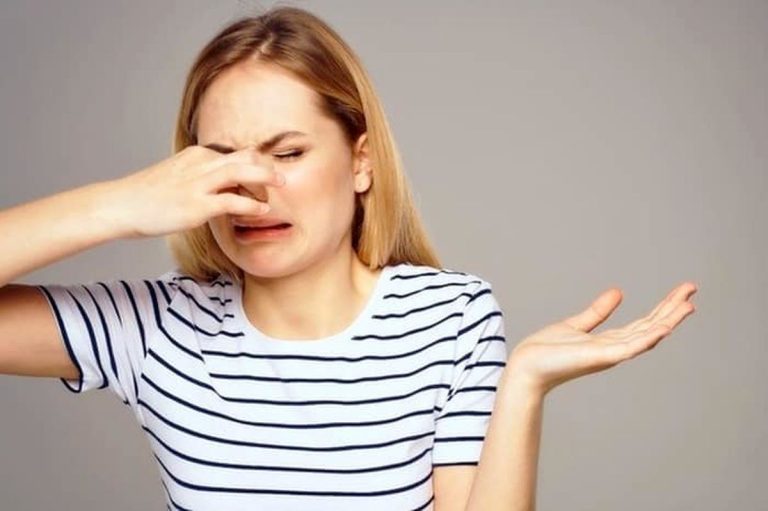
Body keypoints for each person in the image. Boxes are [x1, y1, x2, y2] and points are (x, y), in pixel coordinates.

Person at [0, 6, 698, 511]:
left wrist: (523, 387)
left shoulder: (450, 317)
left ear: (361, 161)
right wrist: (120, 204)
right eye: (221, 160)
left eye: (287, 153)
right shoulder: (156, 326)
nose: (252, 189)